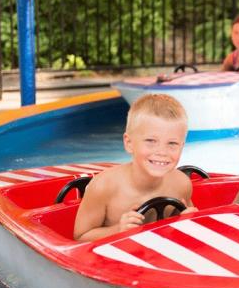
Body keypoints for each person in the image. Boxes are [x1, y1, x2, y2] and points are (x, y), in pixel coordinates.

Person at [74, 94, 197, 241]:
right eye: (151, 141)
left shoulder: (182, 183)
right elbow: (80, 236)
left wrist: (188, 219)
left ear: (182, 146)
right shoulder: (104, 187)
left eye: (172, 144)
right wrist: (118, 229)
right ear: (129, 143)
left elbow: (179, 226)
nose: (162, 152)